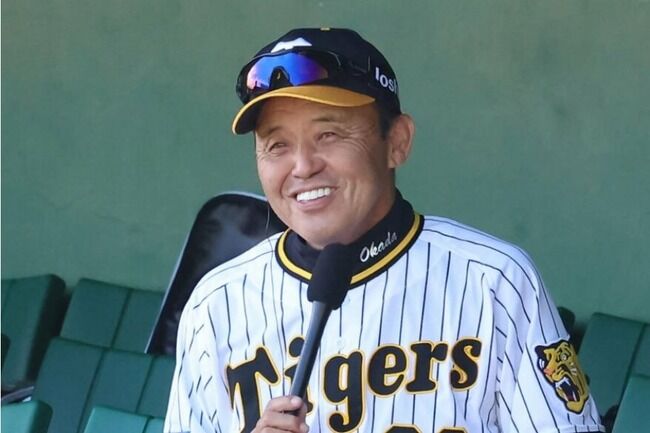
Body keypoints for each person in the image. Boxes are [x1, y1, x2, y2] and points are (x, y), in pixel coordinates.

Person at [164, 27, 604, 433]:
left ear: (397, 142)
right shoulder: (215, 305)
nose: (302, 166)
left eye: (329, 135)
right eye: (277, 145)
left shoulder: (494, 281)